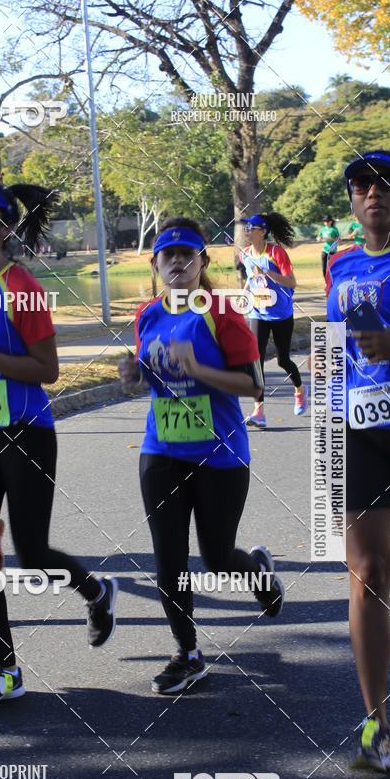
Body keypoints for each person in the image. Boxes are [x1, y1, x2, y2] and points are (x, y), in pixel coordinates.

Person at [0, 180, 118, 713]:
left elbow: (47, 370)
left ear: (5, 227)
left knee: (31, 552)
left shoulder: (22, 286)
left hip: (26, 432)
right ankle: (5, 669)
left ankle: (96, 592)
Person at [119, 217, 285, 695]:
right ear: (155, 263)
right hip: (161, 450)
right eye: (167, 255)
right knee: (168, 558)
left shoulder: (221, 313)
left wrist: (197, 368)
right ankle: (187, 653)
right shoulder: (148, 314)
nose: (176, 262)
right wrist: (133, 376)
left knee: (217, 558)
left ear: (202, 262)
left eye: (185, 254)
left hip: (220, 455)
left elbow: (254, 385)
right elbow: (152, 378)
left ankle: (257, 572)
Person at [326, 149, 390, 771]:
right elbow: (335, 346)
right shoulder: (339, 263)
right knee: (368, 573)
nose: (373, 194)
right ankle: (375, 724)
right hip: (356, 430)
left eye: (386, 185)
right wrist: (328, 426)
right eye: (362, 186)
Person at [238, 213, 307, 428]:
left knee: (282, 360)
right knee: (256, 360)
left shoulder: (276, 252)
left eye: (252, 228)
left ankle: (300, 390)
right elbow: (251, 276)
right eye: (246, 227)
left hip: (281, 314)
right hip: (258, 312)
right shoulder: (244, 253)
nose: (247, 231)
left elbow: (292, 282)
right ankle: (259, 412)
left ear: (263, 231)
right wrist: (244, 293)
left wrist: (268, 272)